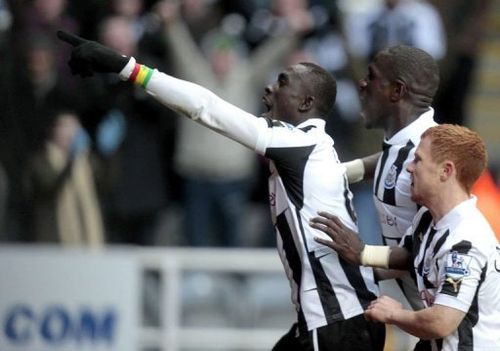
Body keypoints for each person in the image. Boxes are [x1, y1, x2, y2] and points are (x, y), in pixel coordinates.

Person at [57, 30, 385, 350]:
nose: (269, 88)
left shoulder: (295, 141)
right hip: (344, 318)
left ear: (306, 102)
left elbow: (205, 108)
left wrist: (126, 67)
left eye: (282, 82)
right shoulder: (318, 149)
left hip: (338, 324)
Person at [310, 124, 500, 350]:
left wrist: (394, 314)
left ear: (445, 171)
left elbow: (441, 322)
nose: (409, 168)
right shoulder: (426, 219)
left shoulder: (464, 244)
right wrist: (358, 255)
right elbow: (409, 256)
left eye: (418, 160)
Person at [343, 45, 440, 319]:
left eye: (372, 76)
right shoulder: (407, 146)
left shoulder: (429, 159)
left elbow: (432, 251)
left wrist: (362, 256)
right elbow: (388, 160)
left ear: (397, 91)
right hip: (432, 321)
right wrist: (340, 173)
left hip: (466, 329)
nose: (362, 83)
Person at [24, 110, 105, 246]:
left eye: (75, 126)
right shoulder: (40, 160)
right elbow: (48, 186)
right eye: (66, 126)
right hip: (53, 239)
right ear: (54, 130)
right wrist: (70, 161)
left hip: (86, 241)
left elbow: (105, 183)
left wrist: (109, 153)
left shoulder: (86, 160)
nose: (71, 132)